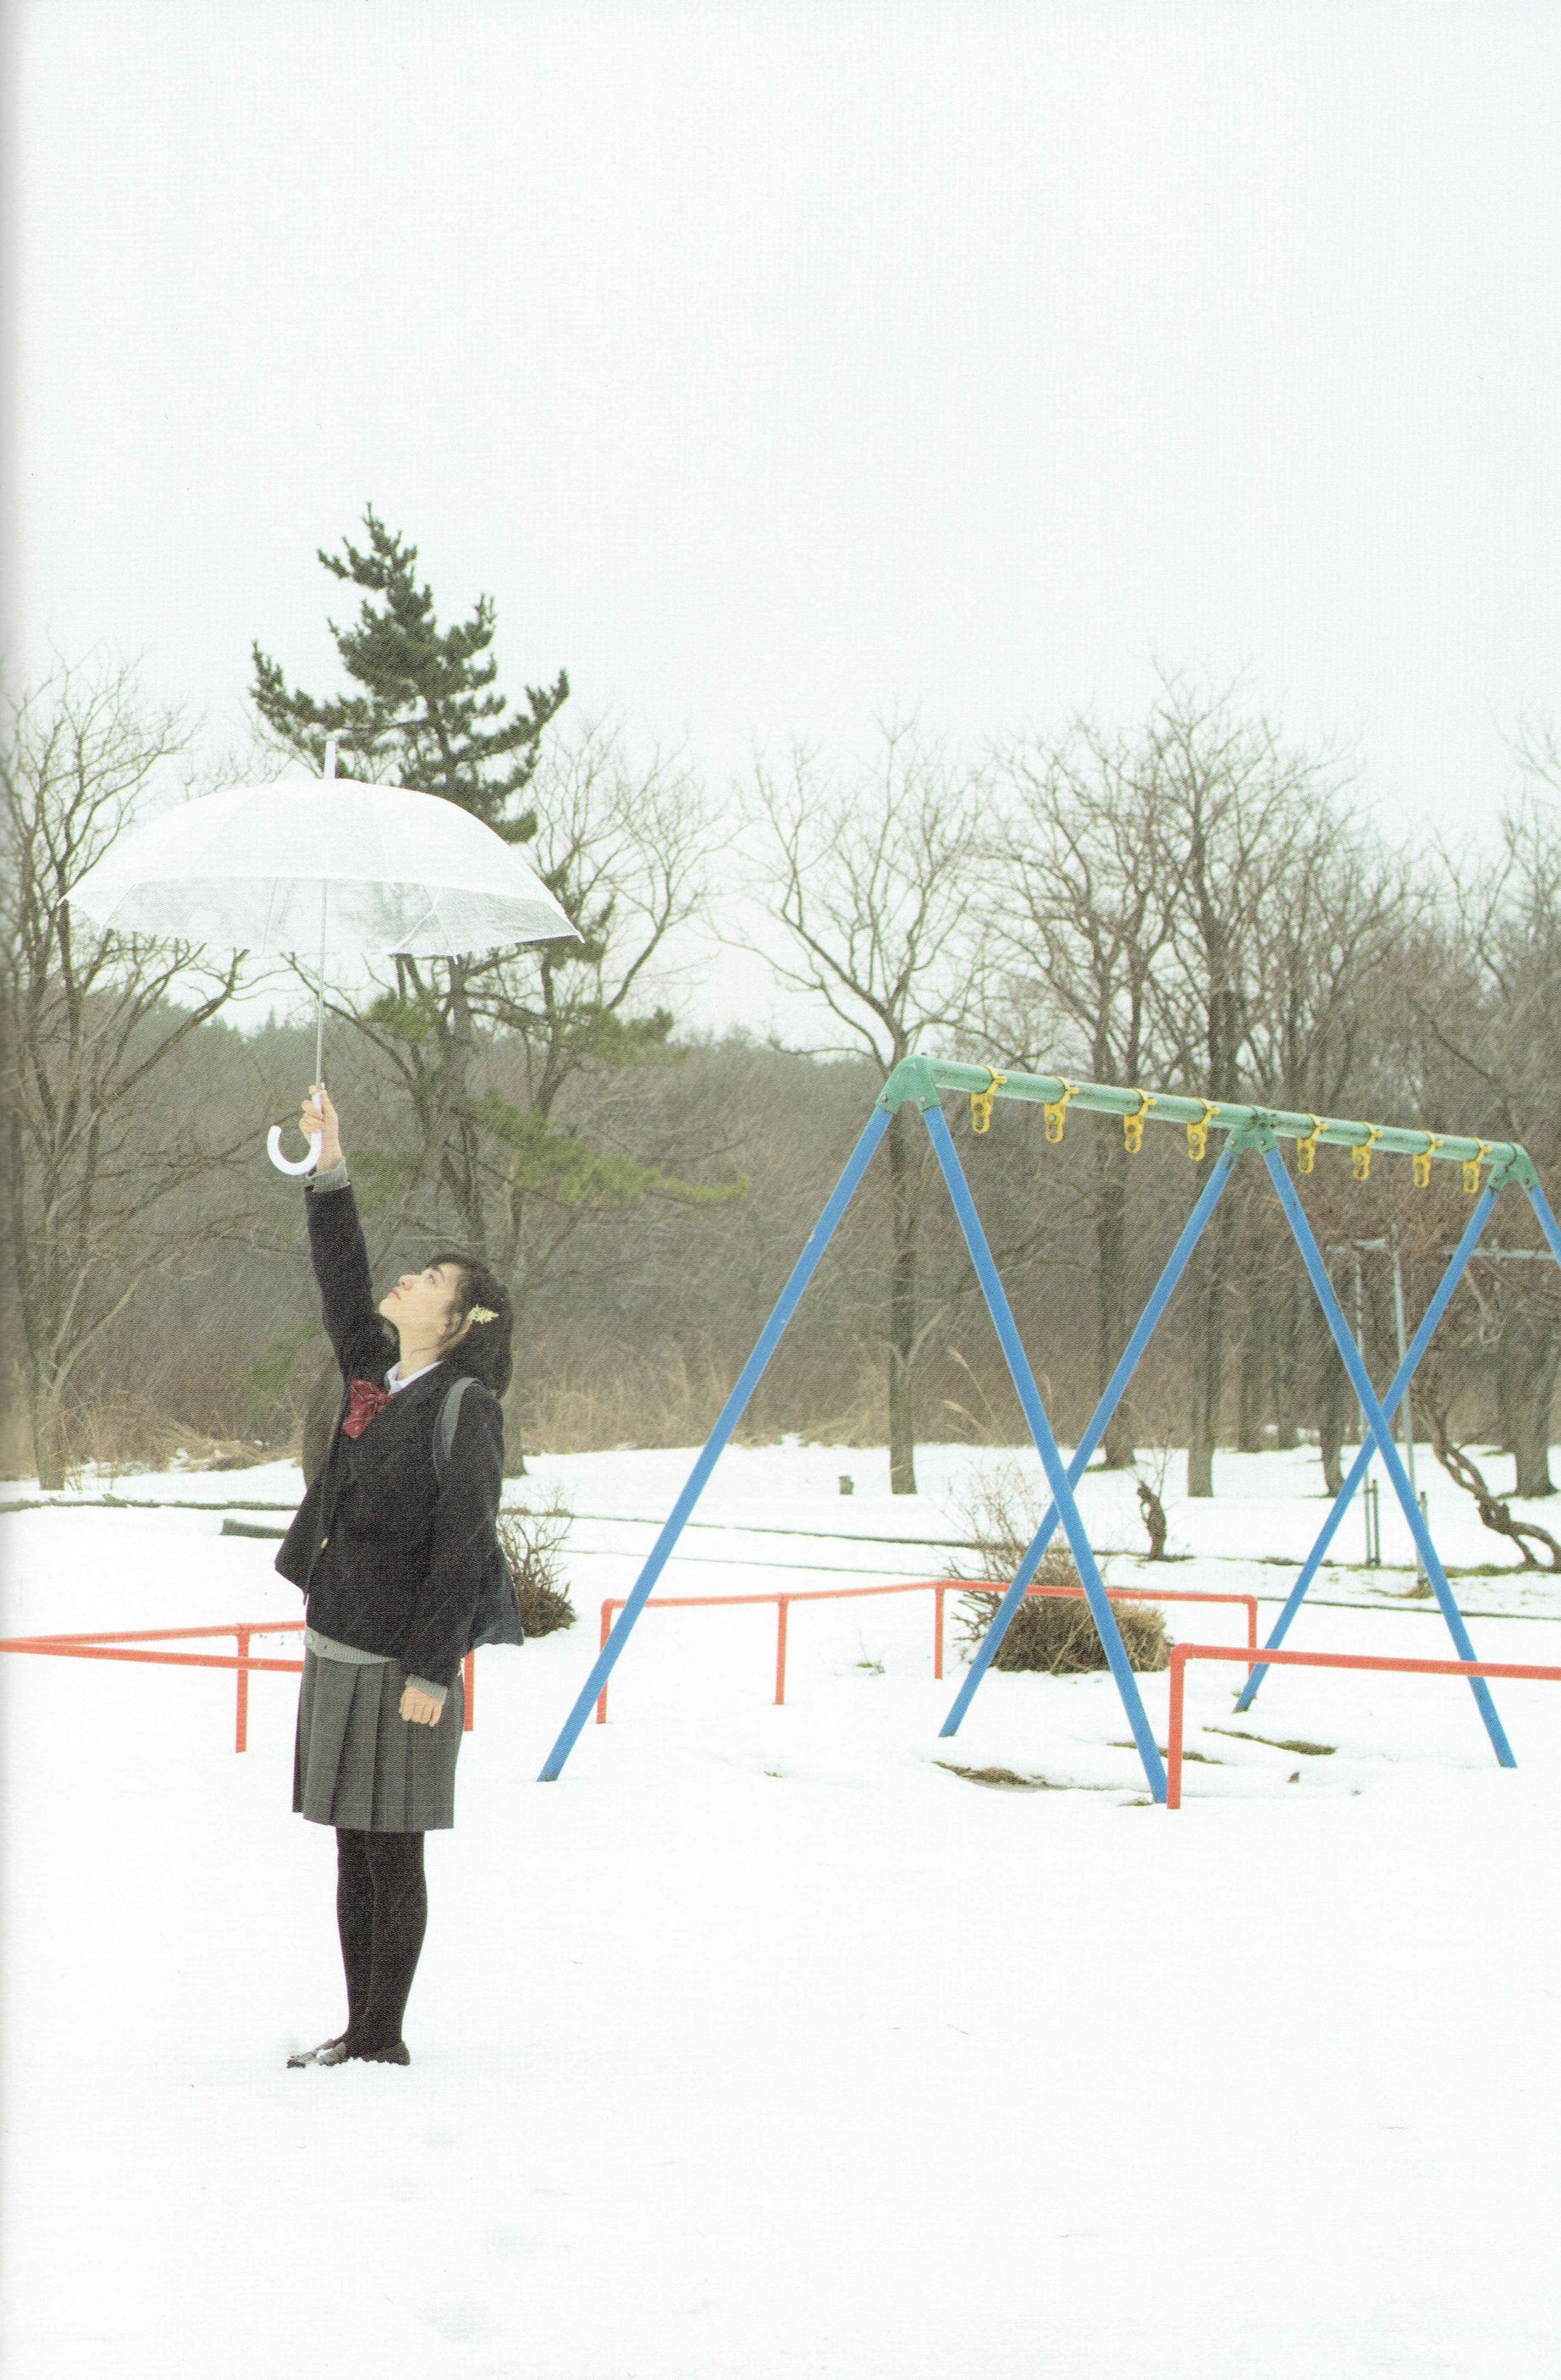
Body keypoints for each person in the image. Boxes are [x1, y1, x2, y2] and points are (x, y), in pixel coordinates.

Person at [274, 1082, 512, 2068]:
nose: (407, 1281)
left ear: (458, 1321)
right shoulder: (377, 1367)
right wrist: (330, 1162)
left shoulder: (463, 1404)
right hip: (339, 1637)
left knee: (391, 1848)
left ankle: (383, 2040)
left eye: (429, 1280)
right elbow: (341, 1277)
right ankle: (355, 2027)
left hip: (404, 1663)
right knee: (346, 1843)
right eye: (413, 1271)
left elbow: (465, 1545)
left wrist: (432, 1671)